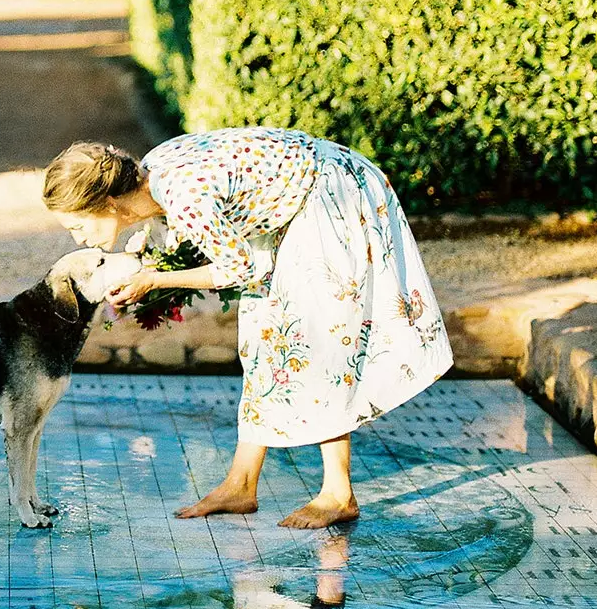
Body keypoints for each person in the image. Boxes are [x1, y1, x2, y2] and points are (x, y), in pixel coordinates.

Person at [42, 128, 452, 528]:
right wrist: (149, 259)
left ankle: (338, 493)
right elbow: (209, 228)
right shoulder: (150, 173)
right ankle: (240, 484)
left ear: (108, 202)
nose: (79, 239)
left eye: (78, 225)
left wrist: (153, 280)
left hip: (331, 197)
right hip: (299, 204)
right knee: (264, 338)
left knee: (312, 338)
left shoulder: (181, 194)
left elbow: (242, 267)